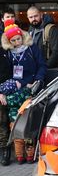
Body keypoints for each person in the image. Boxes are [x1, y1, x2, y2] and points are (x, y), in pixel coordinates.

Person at [0, 19, 46, 164]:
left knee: (29, 119)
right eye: (13, 40)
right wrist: (3, 91)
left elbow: (42, 65)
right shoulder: (7, 53)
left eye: (18, 38)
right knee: (15, 120)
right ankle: (19, 155)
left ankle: (30, 154)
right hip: (15, 89)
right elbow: (5, 73)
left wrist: (37, 80)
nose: (17, 42)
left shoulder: (32, 49)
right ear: (9, 41)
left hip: (31, 86)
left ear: (22, 36)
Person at [0, 46, 10, 165]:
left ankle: (4, 149)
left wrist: (1, 92)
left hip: (3, 90)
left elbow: (5, 74)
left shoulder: (3, 53)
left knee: (2, 121)